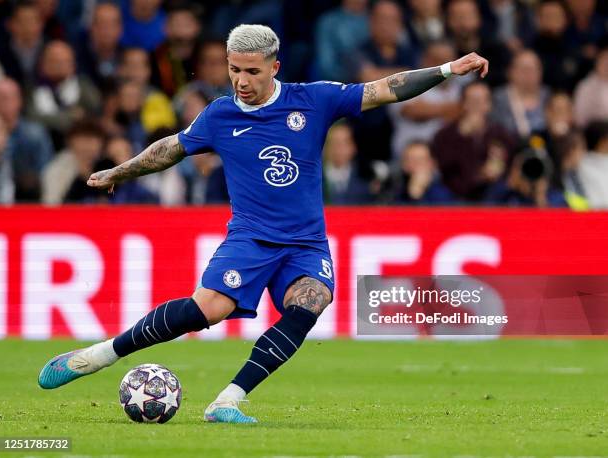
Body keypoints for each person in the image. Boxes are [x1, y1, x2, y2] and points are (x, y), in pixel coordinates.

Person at [38, 24, 488, 423]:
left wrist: (447, 69)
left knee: (312, 300)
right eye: (234, 69)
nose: (241, 81)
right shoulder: (220, 115)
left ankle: (227, 402)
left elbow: (386, 88)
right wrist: (120, 170)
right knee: (204, 311)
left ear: (275, 66)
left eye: (252, 71)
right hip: (250, 240)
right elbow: (171, 149)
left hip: (305, 244)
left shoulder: (313, 100)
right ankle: (97, 356)